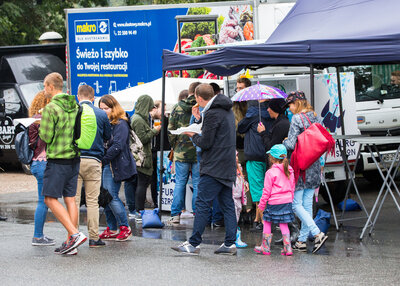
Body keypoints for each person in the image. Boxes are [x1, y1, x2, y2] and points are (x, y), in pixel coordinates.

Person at [171, 83, 237, 255]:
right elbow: (217, 134)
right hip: (226, 165)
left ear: (199, 98)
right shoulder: (226, 109)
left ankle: (193, 243)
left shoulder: (213, 113)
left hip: (214, 166)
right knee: (227, 204)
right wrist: (200, 119)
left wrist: (193, 136)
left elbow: (206, 142)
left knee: (202, 204)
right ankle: (230, 243)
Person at [39, 72, 87, 255]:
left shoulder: (51, 108)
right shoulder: (74, 104)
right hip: (73, 157)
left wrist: (41, 122)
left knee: (50, 198)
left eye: (45, 86)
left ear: (52, 86)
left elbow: (46, 136)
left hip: (58, 158)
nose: (44, 90)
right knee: (70, 199)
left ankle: (74, 234)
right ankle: (70, 243)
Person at [283, 91, 328, 254]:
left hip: (301, 166)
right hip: (314, 164)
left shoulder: (296, 119)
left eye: (290, 105)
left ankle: (317, 233)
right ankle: (302, 241)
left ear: (297, 103)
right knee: (307, 203)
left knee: (296, 204)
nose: (289, 108)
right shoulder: (314, 116)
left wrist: (284, 142)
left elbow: (292, 144)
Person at [74, 85, 111, 247]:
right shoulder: (101, 114)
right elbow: (108, 136)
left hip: (74, 161)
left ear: (77, 96)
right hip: (94, 161)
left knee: (74, 200)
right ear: (93, 97)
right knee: (92, 201)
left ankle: (73, 235)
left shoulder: (72, 112)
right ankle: (94, 237)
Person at [98, 94, 135, 241]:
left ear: (114, 107)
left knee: (111, 196)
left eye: (106, 108)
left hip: (115, 164)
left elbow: (118, 146)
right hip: (107, 163)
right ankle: (112, 228)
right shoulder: (107, 123)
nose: (103, 111)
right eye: (101, 108)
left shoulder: (121, 123)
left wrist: (103, 160)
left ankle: (125, 227)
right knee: (105, 197)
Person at [167, 82, 201, 224]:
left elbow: (170, 129)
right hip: (198, 149)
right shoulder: (202, 107)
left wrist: (175, 145)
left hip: (181, 151)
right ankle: (198, 214)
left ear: (189, 91)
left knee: (180, 183)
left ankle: (175, 215)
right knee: (198, 183)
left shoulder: (178, 107)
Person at [238, 100, 273, 231]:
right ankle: (258, 218)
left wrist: (247, 115)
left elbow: (240, 127)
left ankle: (263, 223)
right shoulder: (270, 114)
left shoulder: (252, 113)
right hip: (268, 155)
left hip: (254, 155)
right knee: (266, 187)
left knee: (258, 190)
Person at [254, 144, 295, 256]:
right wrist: (290, 199)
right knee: (283, 223)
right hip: (287, 201)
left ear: (271, 158)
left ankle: (266, 247)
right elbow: (292, 186)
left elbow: (266, 192)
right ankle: (288, 248)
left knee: (267, 221)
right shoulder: (290, 169)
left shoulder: (270, 173)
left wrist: (261, 205)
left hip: (274, 202)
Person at [29, 90, 54, 246]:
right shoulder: (42, 120)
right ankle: (37, 236)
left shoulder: (32, 120)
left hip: (36, 162)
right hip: (44, 162)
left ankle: (39, 235)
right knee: (43, 201)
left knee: (43, 200)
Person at [131, 94, 161, 222]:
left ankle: (139, 210)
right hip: (142, 157)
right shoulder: (138, 120)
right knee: (142, 184)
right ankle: (139, 211)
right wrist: (155, 130)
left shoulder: (139, 118)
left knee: (141, 183)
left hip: (142, 156)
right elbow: (142, 139)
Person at [150, 100, 171, 209]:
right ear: (155, 108)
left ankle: (163, 201)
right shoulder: (153, 120)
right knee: (154, 179)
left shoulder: (166, 120)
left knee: (164, 177)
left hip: (165, 152)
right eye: (162, 108)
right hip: (155, 152)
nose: (164, 111)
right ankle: (156, 201)